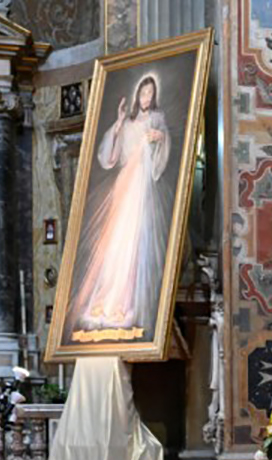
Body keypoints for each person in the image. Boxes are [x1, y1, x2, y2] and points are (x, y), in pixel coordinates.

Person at [68, 73, 172, 342]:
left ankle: (122, 301)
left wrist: (160, 138)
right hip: (124, 183)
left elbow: (164, 149)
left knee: (131, 242)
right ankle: (105, 298)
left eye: (150, 94)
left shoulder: (156, 119)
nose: (146, 98)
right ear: (137, 95)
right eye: (143, 93)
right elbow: (110, 158)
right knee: (114, 243)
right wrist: (117, 121)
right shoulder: (126, 123)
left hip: (140, 186)